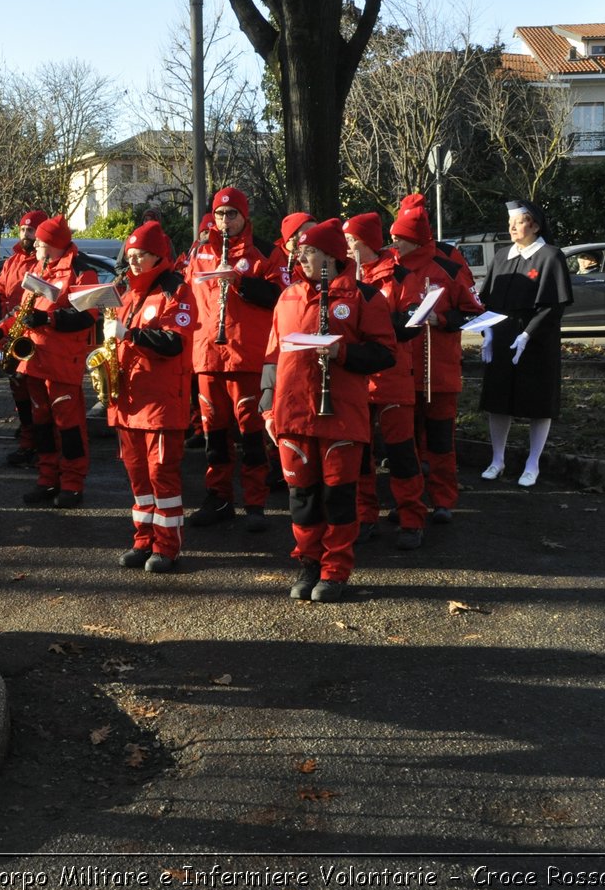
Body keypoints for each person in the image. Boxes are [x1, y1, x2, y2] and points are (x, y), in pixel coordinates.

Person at [260, 220, 396, 603]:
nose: (302, 257)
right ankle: (308, 562)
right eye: (300, 251)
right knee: (301, 496)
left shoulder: (365, 297)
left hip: (341, 414)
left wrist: (343, 352)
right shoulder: (287, 296)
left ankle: (335, 569)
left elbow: (385, 353)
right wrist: (268, 406)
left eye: (311, 251)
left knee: (338, 496)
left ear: (333, 256)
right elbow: (272, 356)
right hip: (293, 413)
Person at [184, 186, 284, 532]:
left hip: (247, 356)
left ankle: (255, 503)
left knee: (252, 435)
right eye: (221, 214)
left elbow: (281, 297)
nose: (225, 221)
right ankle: (219, 498)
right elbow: (185, 294)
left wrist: (240, 282)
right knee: (214, 435)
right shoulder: (199, 252)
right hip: (208, 355)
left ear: (245, 215)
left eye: (232, 214)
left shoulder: (266, 252)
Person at [387, 204, 482, 527]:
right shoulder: (390, 267)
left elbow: (472, 310)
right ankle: (408, 502)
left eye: (399, 238)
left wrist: (440, 318)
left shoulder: (448, 266)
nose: (394, 244)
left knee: (440, 440)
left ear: (414, 239)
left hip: (438, 369)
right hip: (400, 371)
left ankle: (443, 500)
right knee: (405, 445)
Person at [109, 221, 195, 573]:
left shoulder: (177, 291)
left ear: (157, 255)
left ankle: (167, 546)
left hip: (160, 401)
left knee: (162, 476)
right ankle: (143, 539)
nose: (132, 262)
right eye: (129, 256)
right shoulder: (126, 292)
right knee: (137, 477)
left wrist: (130, 334)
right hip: (129, 401)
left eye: (139, 255)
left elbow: (173, 343)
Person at [0, 216, 98, 507]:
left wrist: (50, 318)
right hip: (35, 359)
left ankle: (72, 483)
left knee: (68, 427)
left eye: (40, 242)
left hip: (62, 361)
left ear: (53, 244)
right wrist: (3, 331)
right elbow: (25, 308)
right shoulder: (39, 267)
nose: (36, 246)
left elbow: (88, 316)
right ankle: (46, 479)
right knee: (42, 425)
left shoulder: (82, 270)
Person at [342, 212, 426, 550]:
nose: (346, 248)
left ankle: (411, 520)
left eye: (351, 242)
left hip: (392, 377)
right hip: (357, 378)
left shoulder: (402, 275)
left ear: (367, 244)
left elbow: (411, 324)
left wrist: (368, 325)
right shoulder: (340, 277)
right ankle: (365, 516)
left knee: (402, 452)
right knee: (360, 455)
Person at [478, 199, 572, 489]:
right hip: (503, 335)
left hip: (538, 339)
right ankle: (497, 459)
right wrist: (488, 332)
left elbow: (553, 305)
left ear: (534, 224)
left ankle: (533, 463)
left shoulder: (550, 256)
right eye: (510, 222)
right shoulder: (502, 255)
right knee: (498, 400)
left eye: (518, 221)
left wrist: (528, 334)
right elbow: (488, 300)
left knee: (538, 402)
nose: (512, 227)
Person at [0, 209, 46, 467]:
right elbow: (0, 291)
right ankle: (27, 440)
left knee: (37, 394)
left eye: (31, 230)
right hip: (12, 331)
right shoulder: (12, 260)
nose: (26, 235)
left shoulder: (44, 261)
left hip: (35, 334)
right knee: (18, 390)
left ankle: (41, 444)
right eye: (23, 230)